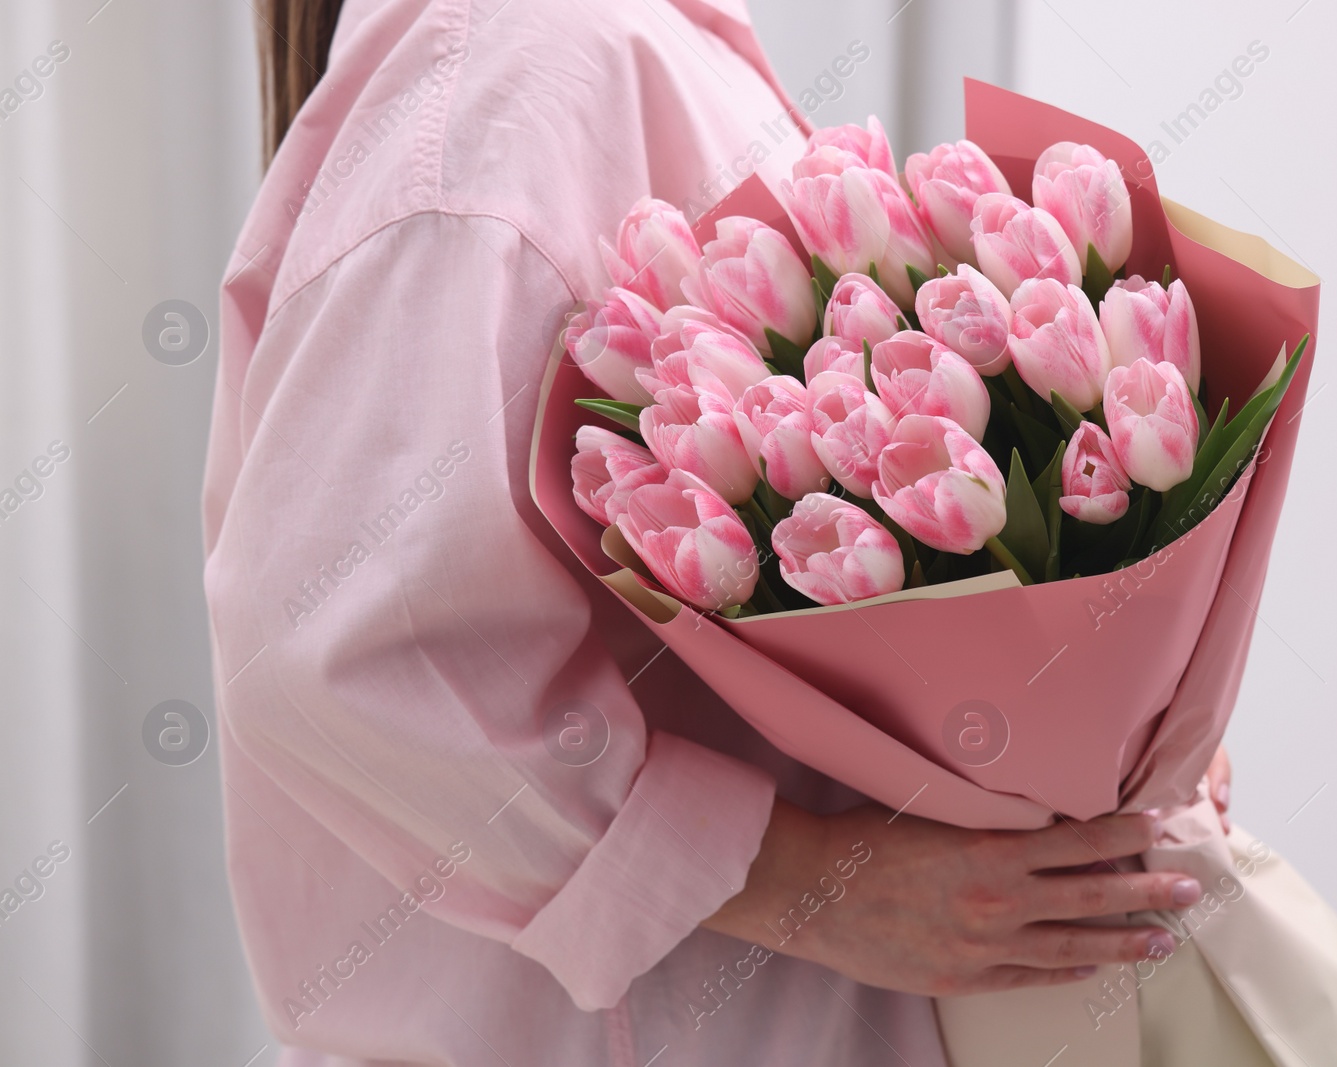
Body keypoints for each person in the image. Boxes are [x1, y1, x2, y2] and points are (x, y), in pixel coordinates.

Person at [203, 0, 1232, 1062]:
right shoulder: (522, 67)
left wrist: (1089, 728)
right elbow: (343, 642)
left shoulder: (591, 47)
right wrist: (804, 881)